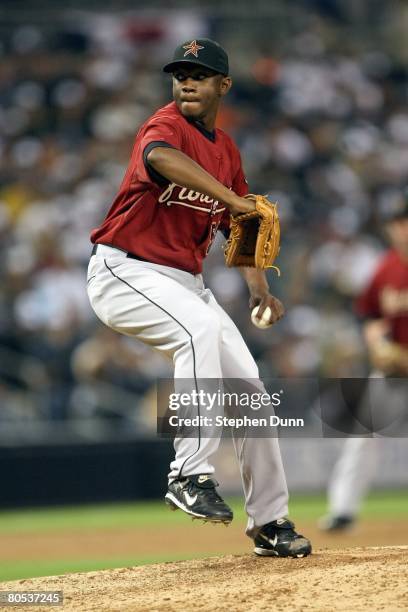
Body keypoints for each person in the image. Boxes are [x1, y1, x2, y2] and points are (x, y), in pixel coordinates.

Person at [87, 38, 311, 558]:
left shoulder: (227, 150)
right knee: (199, 331)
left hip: (185, 282)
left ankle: (271, 522)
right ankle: (188, 474)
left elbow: (243, 225)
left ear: (222, 85)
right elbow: (159, 158)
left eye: (200, 74)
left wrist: (259, 289)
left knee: (251, 391)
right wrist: (231, 196)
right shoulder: (165, 125)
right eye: (180, 73)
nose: (187, 81)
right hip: (125, 270)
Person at [319, 194, 408, 531]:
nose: (403, 228)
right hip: (393, 369)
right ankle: (343, 510)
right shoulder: (385, 267)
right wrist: (377, 342)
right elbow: (369, 315)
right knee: (364, 439)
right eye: (398, 222)